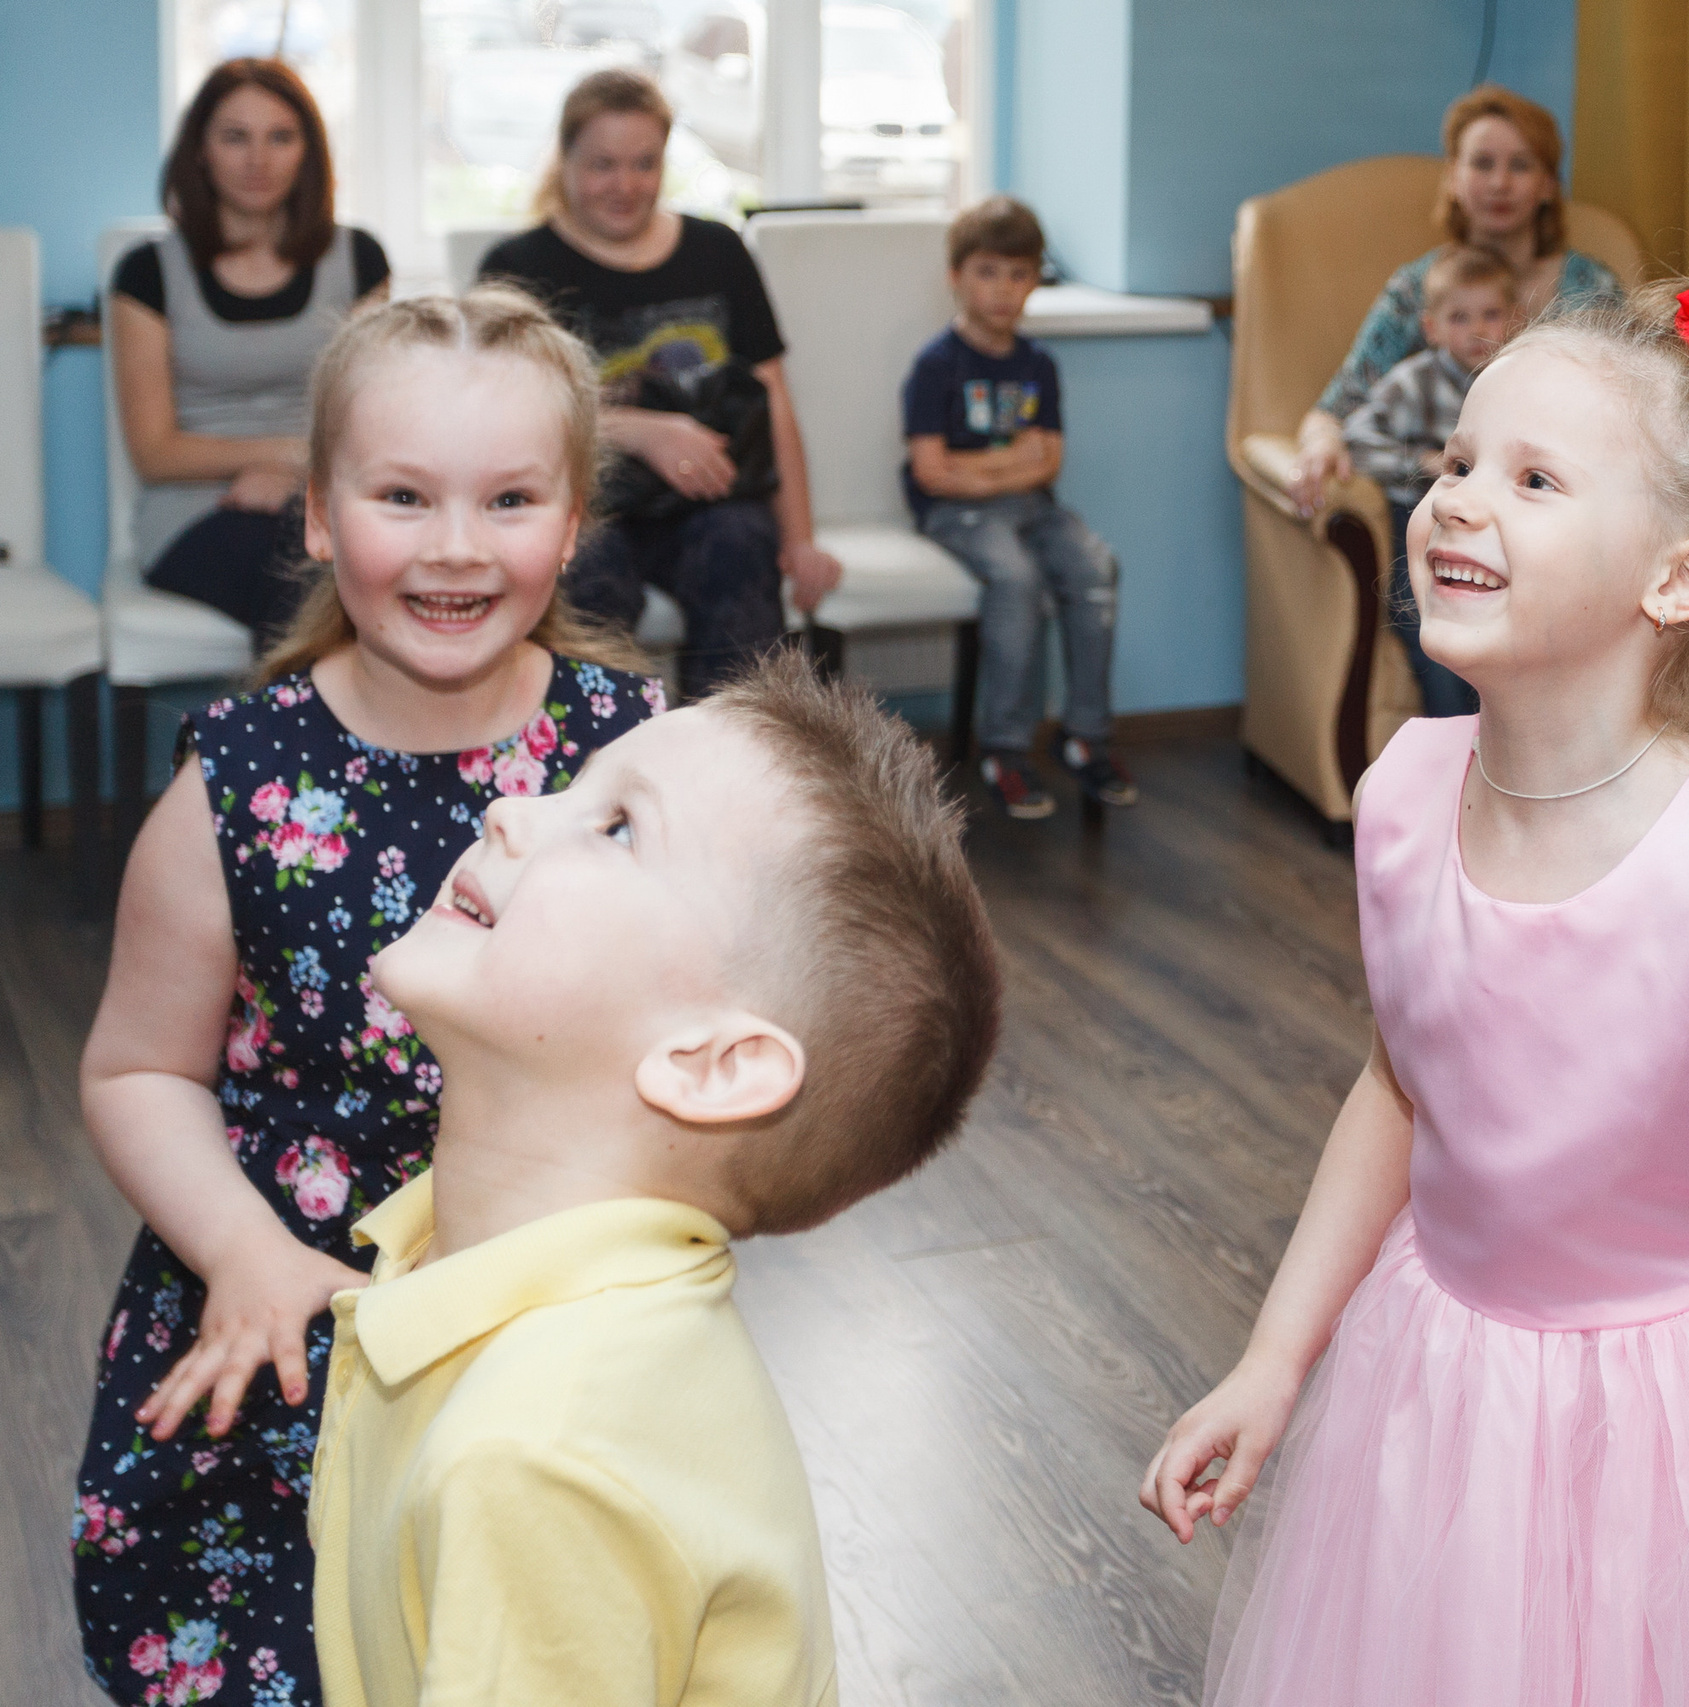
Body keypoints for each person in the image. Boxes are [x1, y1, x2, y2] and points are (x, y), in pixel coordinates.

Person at [1142, 282, 1689, 1706]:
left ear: (1677, 580)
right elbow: (1403, 1082)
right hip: (1445, 1398)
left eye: (1534, 481)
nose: (1458, 501)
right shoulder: (1403, 794)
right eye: (1459, 460)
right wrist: (1275, 1361)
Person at [72, 285, 660, 1707]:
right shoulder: (234, 779)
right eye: (404, 496)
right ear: (322, 517)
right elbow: (137, 1070)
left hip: (546, 1336)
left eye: (508, 498)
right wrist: (243, 1250)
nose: (456, 545)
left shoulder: (638, 764)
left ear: (572, 522)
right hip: (286, 1325)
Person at [309, 649, 1002, 1707]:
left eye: (619, 827)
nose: (508, 808)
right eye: (572, 787)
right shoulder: (463, 1282)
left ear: (713, 1065)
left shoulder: (536, 1457)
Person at [479, 69, 842, 702]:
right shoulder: (516, 268)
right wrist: (640, 431)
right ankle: (594, 754)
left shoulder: (719, 250)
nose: (625, 185)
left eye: (644, 164)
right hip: (584, 512)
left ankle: (729, 748)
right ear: (565, 160)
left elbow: (774, 401)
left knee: (740, 545)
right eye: (603, 165)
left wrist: (801, 539)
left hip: (711, 506)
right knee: (585, 576)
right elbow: (495, 420)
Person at [113, 59, 389, 644]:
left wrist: (302, 478)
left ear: (308, 152)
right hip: (198, 512)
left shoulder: (360, 259)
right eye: (235, 137)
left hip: (331, 495)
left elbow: (377, 420)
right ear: (200, 152)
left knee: (383, 564)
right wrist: (294, 457)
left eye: (281, 137)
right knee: (307, 577)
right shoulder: (145, 272)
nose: (258, 159)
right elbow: (154, 452)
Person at [1285, 84, 1623, 516]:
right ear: (1454, 179)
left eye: (1520, 165)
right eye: (1482, 164)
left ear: (1547, 185)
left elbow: (1624, 407)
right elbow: (1338, 407)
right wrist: (1322, 444)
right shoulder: (1416, 287)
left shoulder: (1591, 286)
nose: (1500, 183)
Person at [902, 196, 1133, 819]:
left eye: (1018, 274)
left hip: (1033, 507)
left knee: (1096, 569)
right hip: (956, 514)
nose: (1003, 289)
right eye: (986, 272)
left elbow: (1048, 463)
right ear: (956, 276)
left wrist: (976, 466)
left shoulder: (1039, 365)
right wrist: (1009, 461)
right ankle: (1003, 749)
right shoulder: (936, 364)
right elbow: (931, 471)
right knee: (1017, 579)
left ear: (1034, 281)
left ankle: (1085, 736)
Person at [1342, 244, 1517, 718]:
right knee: (1426, 629)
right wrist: (1421, 463)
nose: (1477, 330)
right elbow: (1356, 439)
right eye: (1459, 318)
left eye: (1491, 314)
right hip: (1420, 517)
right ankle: (1448, 733)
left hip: (1491, 525)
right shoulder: (1411, 382)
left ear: (1513, 320)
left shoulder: (1514, 382)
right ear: (1431, 327)